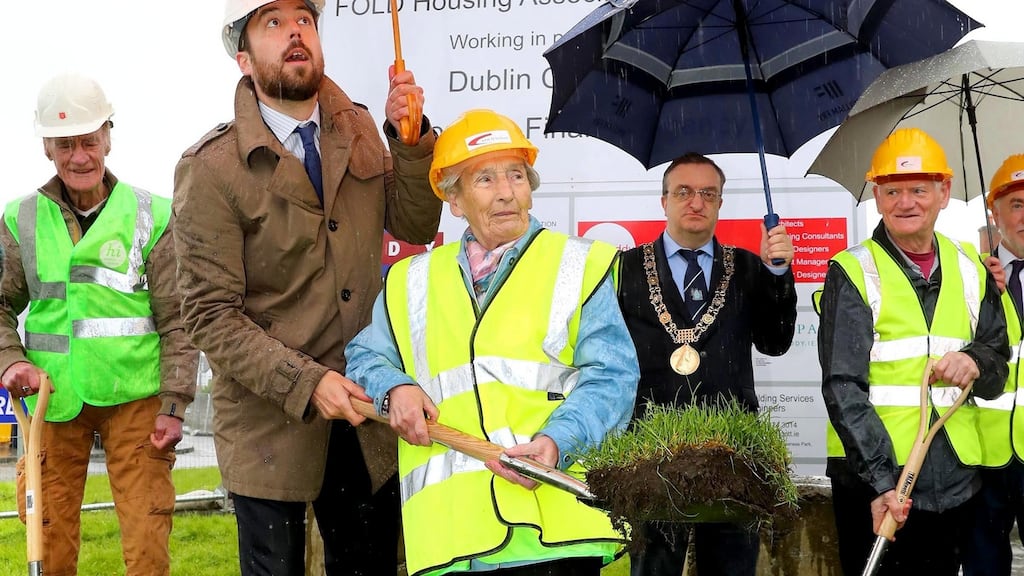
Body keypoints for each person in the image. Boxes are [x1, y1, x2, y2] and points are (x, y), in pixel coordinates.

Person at [171, 0, 442, 574]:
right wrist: (308, 381)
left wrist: (410, 139)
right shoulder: (211, 169)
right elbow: (209, 316)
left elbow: (417, 224)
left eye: (305, 19)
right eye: (273, 22)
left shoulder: (363, 127)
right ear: (243, 57)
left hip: (365, 414)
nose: (295, 31)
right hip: (270, 424)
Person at [344, 108, 639, 576]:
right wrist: (393, 387)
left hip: (552, 531)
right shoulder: (410, 281)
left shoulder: (576, 265)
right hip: (454, 538)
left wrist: (556, 440)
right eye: (485, 179)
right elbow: (363, 356)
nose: (506, 192)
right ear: (454, 200)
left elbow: (614, 377)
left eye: (516, 176)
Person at [0, 73, 197, 576]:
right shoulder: (19, 218)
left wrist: (174, 403)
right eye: (66, 145)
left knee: (147, 545)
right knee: (47, 542)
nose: (80, 156)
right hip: (52, 402)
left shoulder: (152, 214)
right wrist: (11, 358)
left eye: (90, 140)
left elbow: (178, 318)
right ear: (47, 147)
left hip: (137, 402)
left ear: (109, 135)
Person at [817, 128, 1009, 576]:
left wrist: (976, 361)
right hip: (875, 484)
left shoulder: (972, 267)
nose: (906, 203)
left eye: (919, 190)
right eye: (893, 191)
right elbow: (842, 386)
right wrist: (884, 481)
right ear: (878, 198)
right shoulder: (852, 271)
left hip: (956, 480)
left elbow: (997, 365)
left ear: (944, 192)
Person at [616, 152, 797, 576]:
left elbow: (776, 342)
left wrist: (778, 274)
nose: (695, 202)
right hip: (650, 457)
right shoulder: (623, 271)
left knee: (732, 570)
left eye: (707, 194)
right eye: (683, 192)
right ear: (664, 201)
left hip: (733, 460)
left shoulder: (753, 268)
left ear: (719, 203)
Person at [963, 154, 1024, 576]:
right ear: (995, 211)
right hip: (983, 459)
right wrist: (985, 290)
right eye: (1017, 204)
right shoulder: (969, 273)